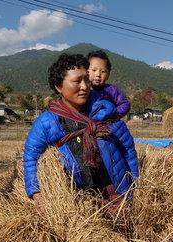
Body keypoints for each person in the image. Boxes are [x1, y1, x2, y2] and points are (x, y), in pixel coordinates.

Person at [23, 53, 139, 212]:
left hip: (117, 194)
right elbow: (30, 155)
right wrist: (36, 193)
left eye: (86, 79)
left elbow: (128, 150)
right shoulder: (49, 122)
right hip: (81, 203)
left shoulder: (104, 111)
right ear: (59, 86)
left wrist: (133, 189)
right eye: (77, 81)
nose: (84, 86)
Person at [87, 50, 131, 118]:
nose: (98, 74)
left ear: (108, 75)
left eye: (103, 71)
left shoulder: (112, 90)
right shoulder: (83, 90)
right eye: (94, 70)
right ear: (86, 71)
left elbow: (125, 104)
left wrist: (114, 114)